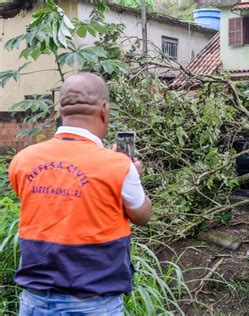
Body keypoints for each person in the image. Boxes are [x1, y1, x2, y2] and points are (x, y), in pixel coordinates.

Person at [8, 73, 152, 315]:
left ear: (61, 109)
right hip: (95, 304)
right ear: (104, 110)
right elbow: (143, 216)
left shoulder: (22, 160)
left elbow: (55, 200)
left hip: (34, 302)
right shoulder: (117, 166)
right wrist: (131, 175)